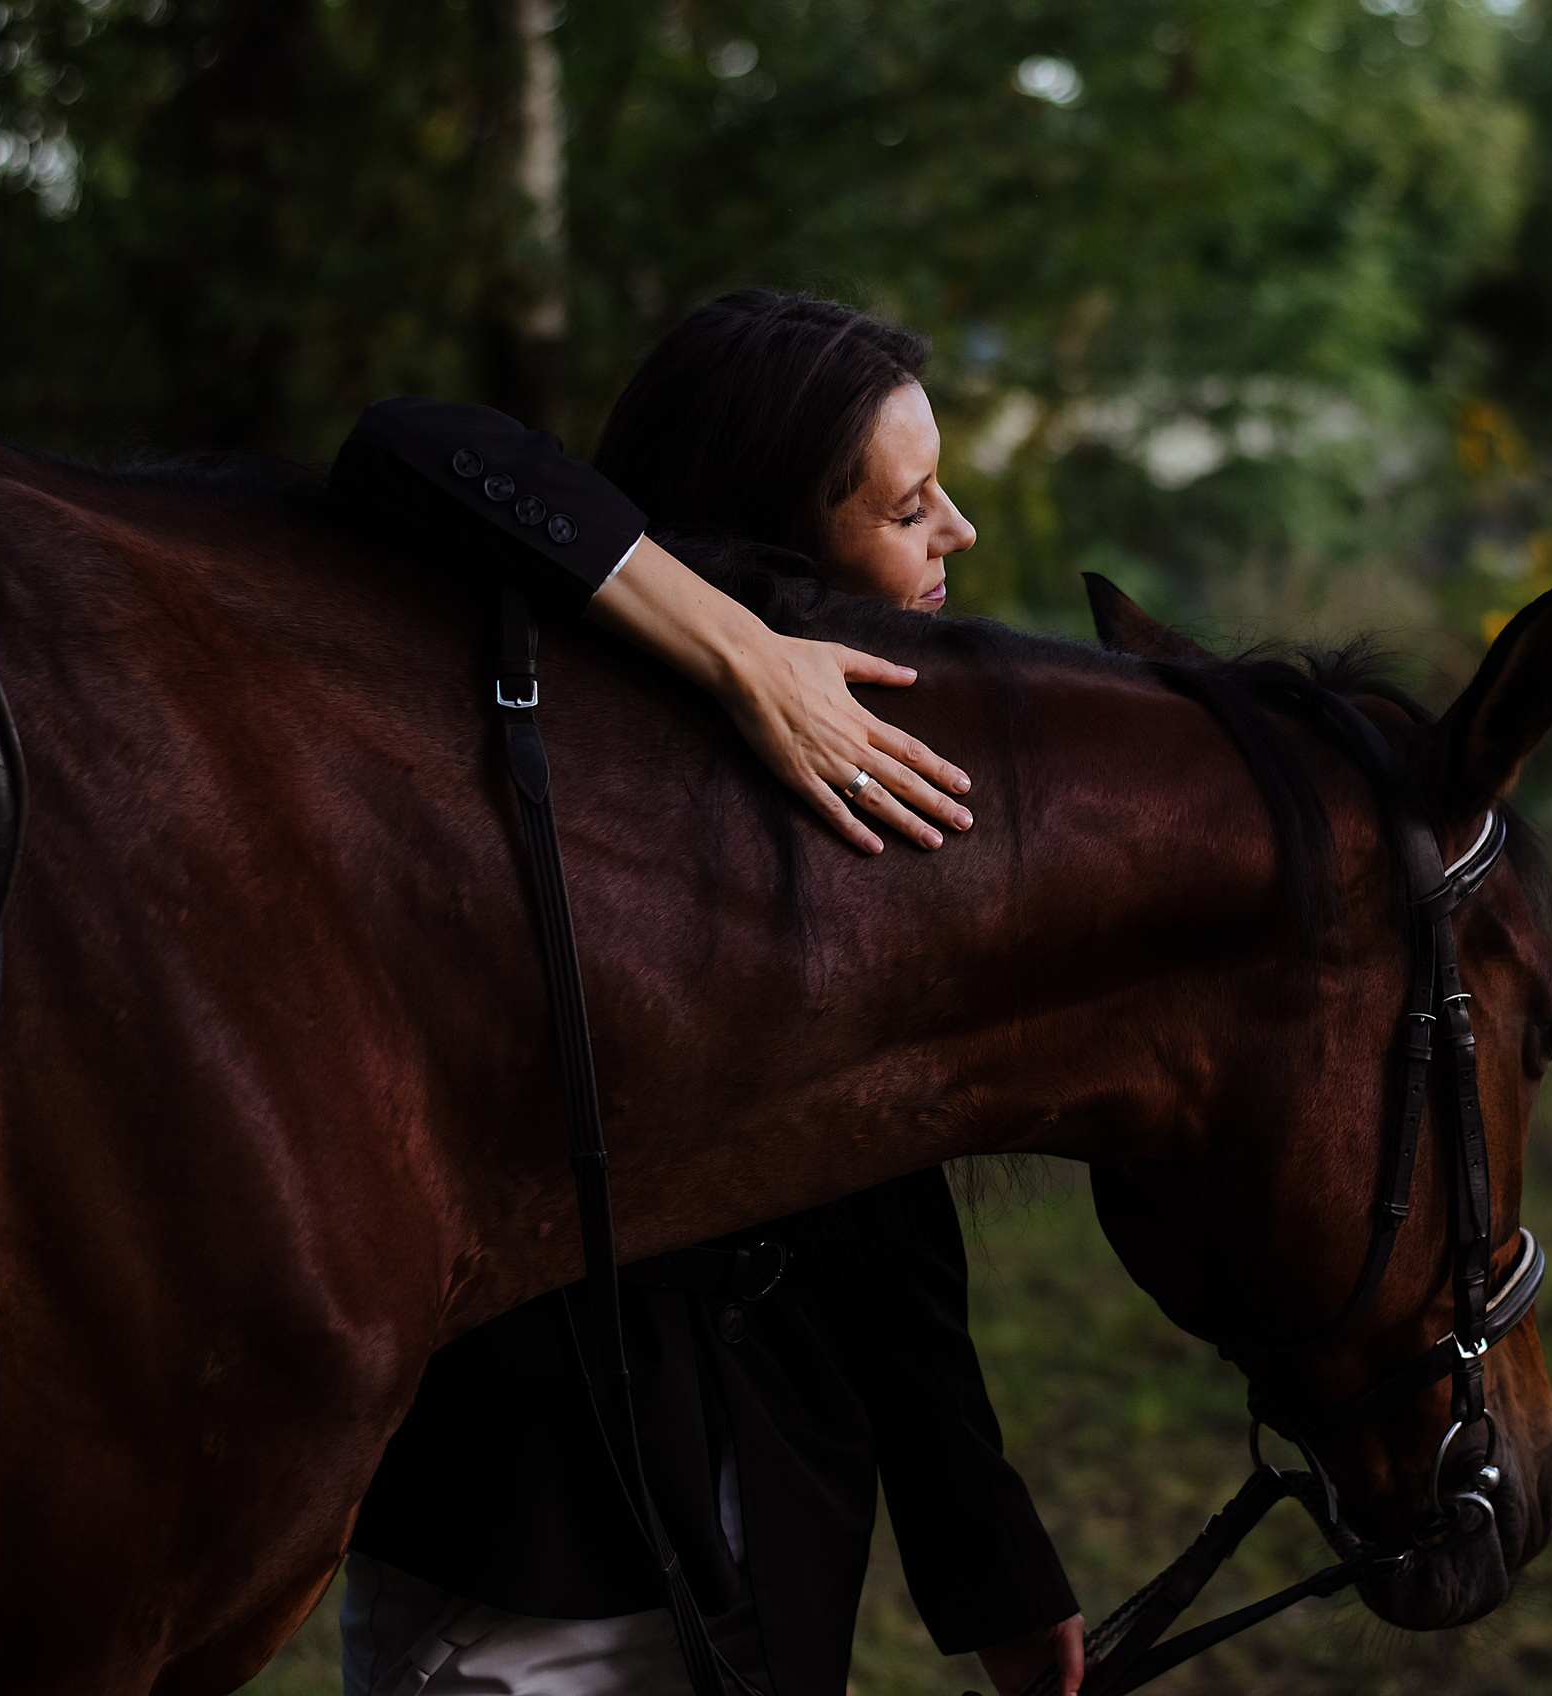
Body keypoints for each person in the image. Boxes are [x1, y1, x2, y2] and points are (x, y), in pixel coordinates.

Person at [327, 292, 1086, 1696]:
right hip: (520, 1546)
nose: (959, 529)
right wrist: (745, 654)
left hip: (769, 1553)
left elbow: (889, 1212)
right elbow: (410, 444)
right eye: (907, 504)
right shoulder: (538, 709)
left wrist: (992, 1571)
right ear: (776, 519)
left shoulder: (870, 763)